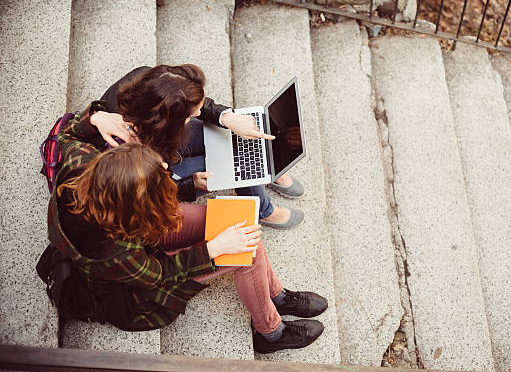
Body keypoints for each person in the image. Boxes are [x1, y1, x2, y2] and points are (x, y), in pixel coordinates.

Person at [48, 110, 327, 352]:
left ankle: (275, 295)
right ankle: (271, 333)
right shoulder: (112, 252)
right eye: (159, 180)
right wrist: (213, 250)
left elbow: (68, 135)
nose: (168, 167)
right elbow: (159, 274)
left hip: (139, 230)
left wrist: (96, 117)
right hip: (137, 291)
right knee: (246, 250)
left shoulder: (82, 163)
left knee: (239, 221)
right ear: (136, 203)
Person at [86, 64, 304, 228]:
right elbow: (151, 193)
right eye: (191, 115)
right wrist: (191, 184)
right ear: (170, 121)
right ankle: (263, 208)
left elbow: (191, 101)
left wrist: (226, 117)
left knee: (228, 135)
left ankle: (263, 165)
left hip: (163, 142)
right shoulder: (126, 149)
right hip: (156, 170)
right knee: (228, 164)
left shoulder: (151, 83)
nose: (199, 113)